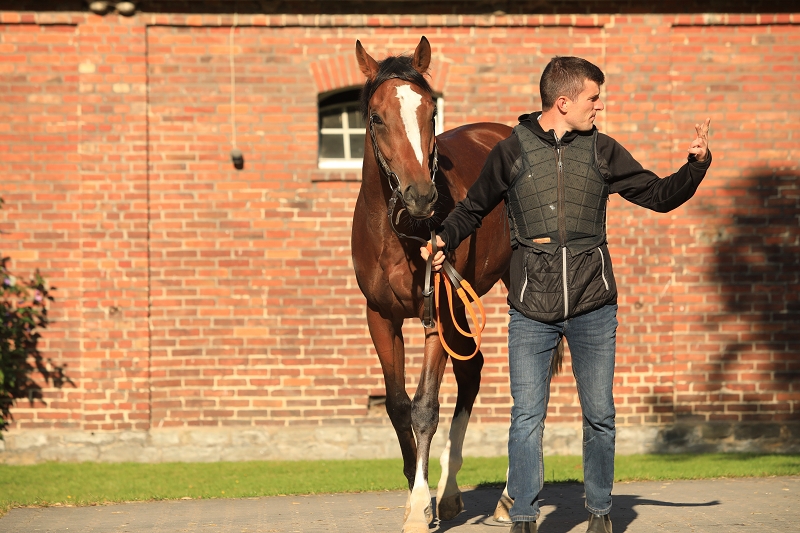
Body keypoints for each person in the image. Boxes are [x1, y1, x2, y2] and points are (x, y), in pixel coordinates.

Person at [421, 56, 711, 533]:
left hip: (594, 306)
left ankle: (599, 512)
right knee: (526, 417)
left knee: (600, 416)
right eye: (593, 98)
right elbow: (471, 210)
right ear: (563, 102)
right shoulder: (511, 152)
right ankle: (524, 516)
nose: (599, 106)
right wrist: (442, 241)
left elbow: (659, 196)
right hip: (531, 310)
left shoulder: (603, 150)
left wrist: (695, 167)